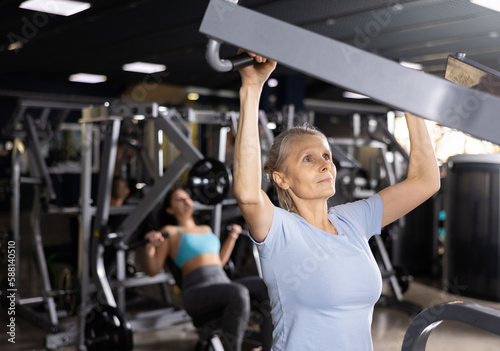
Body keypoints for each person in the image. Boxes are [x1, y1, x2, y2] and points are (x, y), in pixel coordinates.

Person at [233, 52, 440, 351]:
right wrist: (252, 88)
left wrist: (411, 104)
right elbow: (248, 194)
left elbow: (426, 182)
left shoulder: (353, 220)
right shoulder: (281, 230)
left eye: (327, 156)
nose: (324, 165)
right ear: (281, 179)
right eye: (308, 158)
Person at [143, 187, 273, 351]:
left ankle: (270, 348)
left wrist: (232, 238)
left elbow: (218, 261)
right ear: (169, 209)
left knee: (266, 287)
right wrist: (150, 248)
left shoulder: (206, 230)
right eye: (179, 199)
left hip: (222, 282)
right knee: (238, 292)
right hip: (198, 289)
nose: (186, 201)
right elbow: (152, 270)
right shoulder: (170, 232)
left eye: (187, 197)